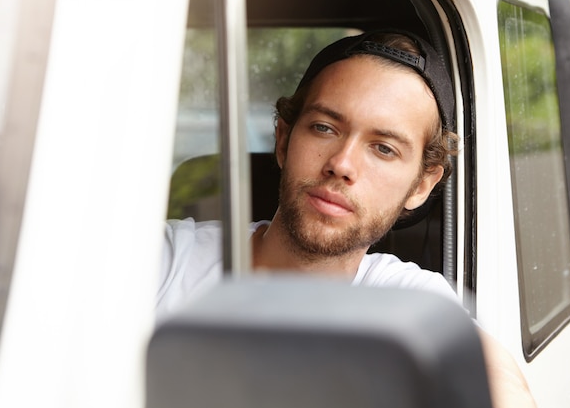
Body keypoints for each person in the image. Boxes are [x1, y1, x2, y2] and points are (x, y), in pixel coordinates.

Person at [158, 30, 537, 408]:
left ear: (422, 183)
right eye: (324, 127)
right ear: (284, 139)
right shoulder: (169, 260)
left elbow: (500, 387)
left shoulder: (408, 302)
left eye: (383, 149)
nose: (342, 164)